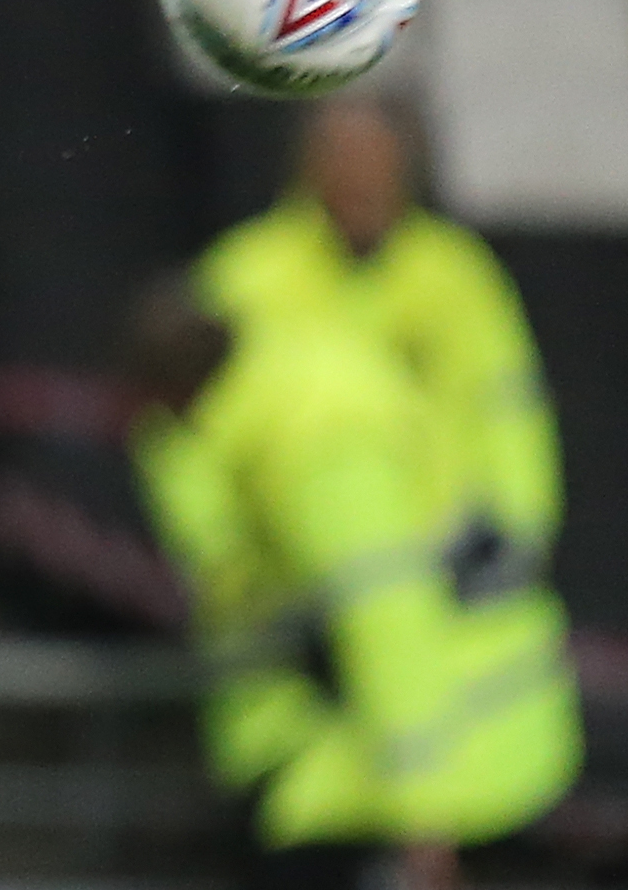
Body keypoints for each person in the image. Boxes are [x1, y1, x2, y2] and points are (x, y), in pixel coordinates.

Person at [122, 275, 581, 890]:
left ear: (175, 389)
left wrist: (424, 811)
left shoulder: (312, 439)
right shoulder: (291, 387)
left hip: (461, 723)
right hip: (435, 715)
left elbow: (386, 615)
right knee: (294, 882)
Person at [199, 95, 560, 607]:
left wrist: (518, 530)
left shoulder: (454, 274)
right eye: (341, 157)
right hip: (286, 577)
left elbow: (506, 406)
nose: (358, 177)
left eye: (374, 158)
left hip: (443, 569)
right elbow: (189, 435)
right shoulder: (244, 279)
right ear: (308, 166)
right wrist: (224, 560)